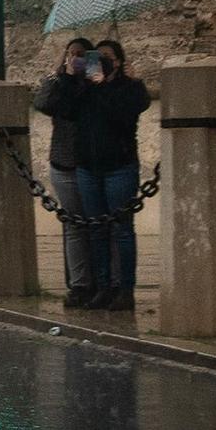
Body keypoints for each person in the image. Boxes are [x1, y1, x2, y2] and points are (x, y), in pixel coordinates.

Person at [56, 38, 150, 311]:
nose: (102, 61)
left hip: (119, 167)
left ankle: (125, 289)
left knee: (122, 230)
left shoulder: (130, 89)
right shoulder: (83, 88)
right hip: (88, 167)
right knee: (96, 229)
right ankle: (102, 286)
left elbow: (122, 116)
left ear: (119, 62)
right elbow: (65, 112)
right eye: (97, 56)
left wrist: (104, 85)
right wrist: (69, 78)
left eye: (108, 57)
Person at [32, 38, 97, 307]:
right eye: (71, 54)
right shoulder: (58, 82)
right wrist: (65, 77)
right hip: (65, 163)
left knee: (98, 225)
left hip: (93, 163)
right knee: (74, 226)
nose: (76, 59)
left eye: (82, 55)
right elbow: (44, 104)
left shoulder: (96, 83)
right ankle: (79, 284)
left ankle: (101, 282)